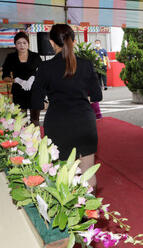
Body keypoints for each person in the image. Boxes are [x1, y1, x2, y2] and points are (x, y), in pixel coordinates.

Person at [32, 24, 102, 189]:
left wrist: (49, 104)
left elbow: (35, 102)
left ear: (51, 42)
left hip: (58, 124)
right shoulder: (86, 64)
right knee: (88, 175)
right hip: (85, 123)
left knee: (63, 175)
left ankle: (69, 213)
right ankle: (88, 212)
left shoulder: (46, 67)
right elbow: (97, 96)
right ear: (74, 41)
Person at [2, 32, 42, 126]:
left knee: (35, 121)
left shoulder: (35, 56)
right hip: (19, 93)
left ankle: (36, 140)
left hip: (34, 92)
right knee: (21, 122)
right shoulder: (11, 57)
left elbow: (42, 73)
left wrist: (33, 78)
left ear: (28, 44)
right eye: (19, 43)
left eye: (24, 42)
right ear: (15, 44)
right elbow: (5, 77)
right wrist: (17, 80)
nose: (22, 45)